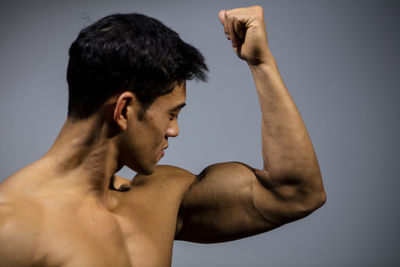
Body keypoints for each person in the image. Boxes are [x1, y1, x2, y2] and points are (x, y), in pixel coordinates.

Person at [0, 5, 326, 267]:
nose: (175, 130)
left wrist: (261, 63)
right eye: (172, 113)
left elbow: (296, 193)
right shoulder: (13, 226)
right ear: (124, 110)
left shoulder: (159, 198)